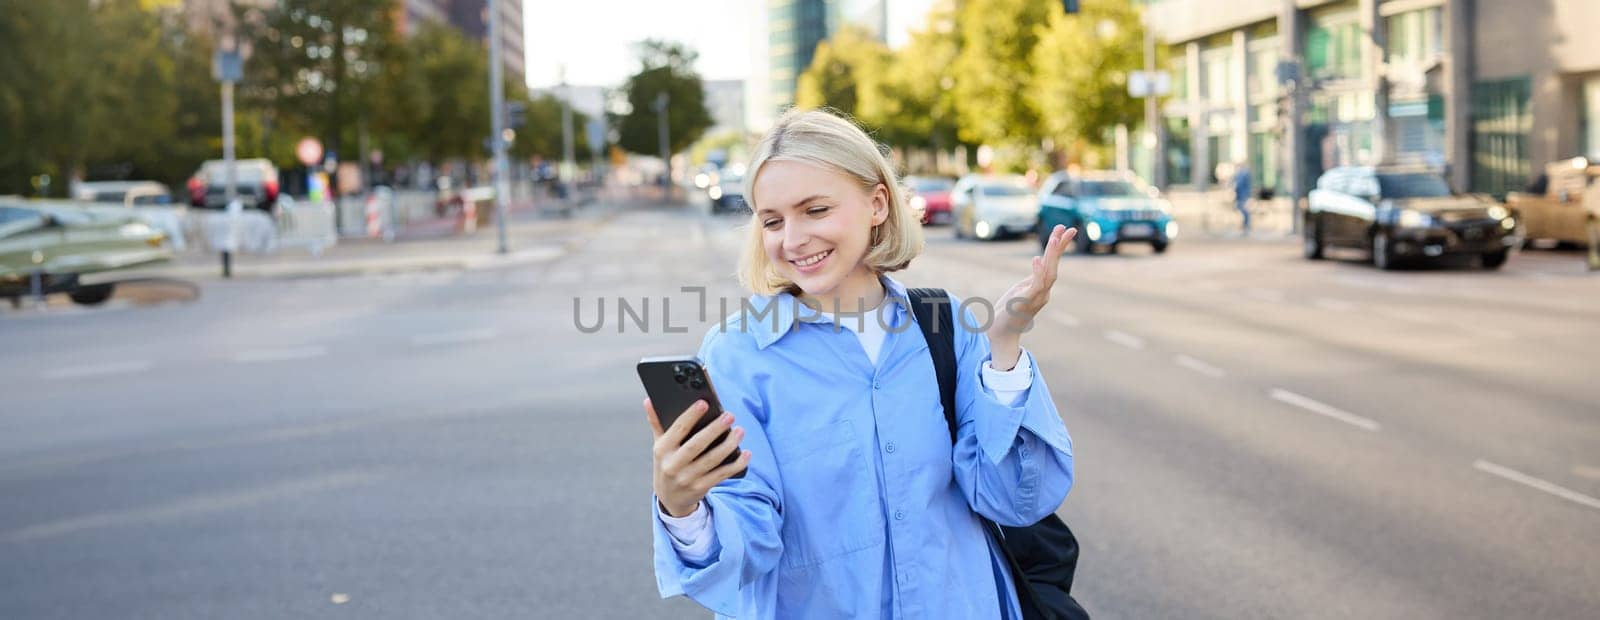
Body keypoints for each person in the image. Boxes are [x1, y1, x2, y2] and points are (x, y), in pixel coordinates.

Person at [645, 109, 1077, 619]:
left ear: (877, 203)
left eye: (816, 210)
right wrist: (683, 508)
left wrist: (1004, 347)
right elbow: (748, 544)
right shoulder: (738, 356)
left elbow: (1012, 501)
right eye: (773, 221)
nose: (793, 239)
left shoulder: (946, 325)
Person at [1232, 162, 1253, 235]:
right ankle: (1245, 225)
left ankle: (1246, 226)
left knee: (1243, 210)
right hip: (1242, 195)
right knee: (1242, 209)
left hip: (1242, 195)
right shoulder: (1243, 174)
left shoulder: (1242, 174)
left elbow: (1238, 185)